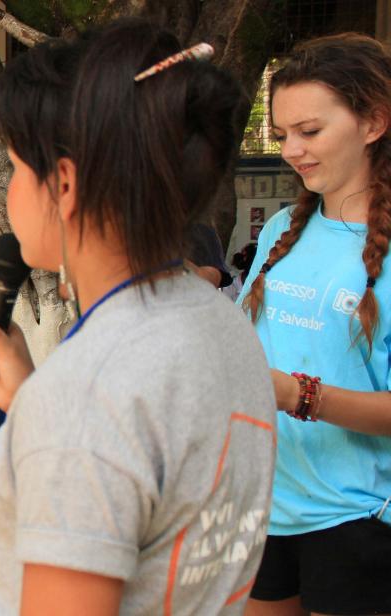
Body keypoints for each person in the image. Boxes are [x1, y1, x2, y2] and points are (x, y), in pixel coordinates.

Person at [0, 22, 275, 614]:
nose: (11, 194)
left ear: (66, 183)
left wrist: (54, 402)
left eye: (17, 169)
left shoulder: (87, 393)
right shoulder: (223, 325)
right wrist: (32, 396)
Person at [238, 34, 391, 615]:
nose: (291, 150)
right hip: (263, 507)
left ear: (373, 122)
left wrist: (298, 395)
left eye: (310, 131)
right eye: (281, 135)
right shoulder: (283, 228)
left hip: (359, 519)